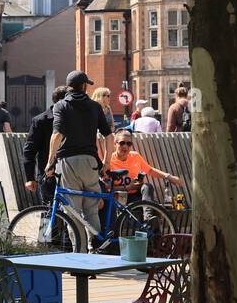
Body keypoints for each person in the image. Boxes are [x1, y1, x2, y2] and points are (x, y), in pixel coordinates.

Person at [44, 70, 114, 241]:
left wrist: (50, 162)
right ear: (83, 86)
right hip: (90, 162)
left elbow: (57, 135)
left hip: (69, 162)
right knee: (91, 208)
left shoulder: (61, 106)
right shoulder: (95, 106)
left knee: (73, 210)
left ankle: (79, 254)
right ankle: (96, 247)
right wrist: (106, 162)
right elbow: (109, 136)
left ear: (69, 87)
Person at [106, 132, 185, 208]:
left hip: (136, 196)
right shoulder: (108, 161)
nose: (125, 146)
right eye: (122, 143)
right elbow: (106, 187)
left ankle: (148, 218)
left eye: (129, 144)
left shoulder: (135, 156)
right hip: (118, 198)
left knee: (147, 187)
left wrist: (168, 176)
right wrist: (128, 187)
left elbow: (150, 170)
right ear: (115, 144)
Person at [23, 86, 69, 204]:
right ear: (61, 101)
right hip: (49, 174)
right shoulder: (41, 121)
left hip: (70, 173)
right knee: (49, 212)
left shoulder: (73, 118)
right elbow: (30, 150)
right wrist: (30, 178)